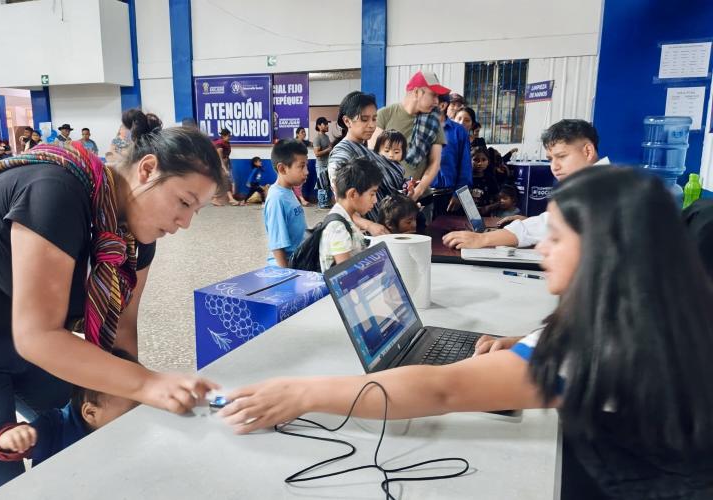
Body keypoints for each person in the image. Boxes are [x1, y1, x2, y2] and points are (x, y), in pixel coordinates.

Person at [221, 167, 713, 499]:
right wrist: (524, 344)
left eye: (557, 239)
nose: (543, 252)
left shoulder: (602, 343)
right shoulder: (666, 308)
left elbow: (443, 387)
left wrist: (302, 392)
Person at [0, 109, 225, 498]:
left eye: (195, 211)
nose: (185, 223)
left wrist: (132, 395)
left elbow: (122, 332)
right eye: (184, 202)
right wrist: (148, 383)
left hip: (22, 332)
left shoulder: (134, 237)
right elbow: (38, 338)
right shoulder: (55, 190)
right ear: (147, 170)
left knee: (99, 424)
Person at [444, 119, 609, 250]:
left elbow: (549, 226)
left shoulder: (605, 187)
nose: (554, 167)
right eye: (551, 159)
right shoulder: (592, 183)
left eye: (562, 156)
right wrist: (529, 221)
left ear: (587, 151)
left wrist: (483, 239)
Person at [0, 349, 139, 466]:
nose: (141, 413)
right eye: (132, 411)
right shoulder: (55, 428)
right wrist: (8, 438)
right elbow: (4, 448)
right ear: (91, 413)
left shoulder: (119, 426)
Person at [328, 91, 407, 236]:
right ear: (347, 121)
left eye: (374, 119)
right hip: (366, 234)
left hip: (383, 228)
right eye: (364, 119)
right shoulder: (342, 153)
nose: (371, 125)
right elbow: (341, 202)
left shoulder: (368, 151)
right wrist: (368, 225)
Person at [371, 71, 448, 202]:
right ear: (417, 92)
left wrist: (418, 192)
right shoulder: (385, 114)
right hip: (387, 198)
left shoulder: (433, 123)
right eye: (433, 95)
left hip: (420, 198)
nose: (436, 102)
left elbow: (435, 162)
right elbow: (373, 156)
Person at [318, 158, 381, 272]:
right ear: (353, 194)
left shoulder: (347, 218)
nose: (375, 200)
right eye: (372, 194)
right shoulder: (338, 228)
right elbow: (347, 276)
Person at [263, 139, 309, 267]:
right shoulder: (276, 198)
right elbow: (277, 245)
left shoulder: (287, 191)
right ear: (282, 168)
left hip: (298, 261)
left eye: (306, 165)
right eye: (301, 166)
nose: (306, 171)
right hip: (286, 266)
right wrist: (288, 275)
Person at [432, 93, 473, 218]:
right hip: (423, 196)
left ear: (443, 105)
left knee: (450, 234)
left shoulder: (458, 131)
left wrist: (459, 195)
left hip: (450, 197)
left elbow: (465, 166)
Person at [212, 128, 239, 206]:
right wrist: (224, 168)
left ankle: (216, 199)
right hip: (220, 165)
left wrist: (228, 166)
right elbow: (220, 158)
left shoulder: (226, 143)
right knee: (226, 181)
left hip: (226, 164)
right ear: (223, 136)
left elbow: (226, 156)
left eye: (230, 135)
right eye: (228, 136)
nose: (229, 137)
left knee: (222, 182)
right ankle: (230, 199)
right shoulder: (220, 144)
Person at [468, 147, 499, 216]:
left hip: (486, 217)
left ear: (488, 162)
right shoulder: (464, 179)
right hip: (465, 217)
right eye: (476, 160)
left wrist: (488, 208)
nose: (480, 163)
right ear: (469, 160)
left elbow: (498, 201)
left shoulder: (490, 179)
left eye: (483, 160)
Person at [312, 117, 333, 209]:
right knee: (321, 185)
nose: (327, 126)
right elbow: (317, 153)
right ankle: (321, 203)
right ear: (319, 126)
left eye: (327, 124)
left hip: (328, 164)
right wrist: (328, 149)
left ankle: (326, 202)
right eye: (325, 124)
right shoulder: (317, 139)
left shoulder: (327, 137)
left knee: (327, 185)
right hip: (321, 165)